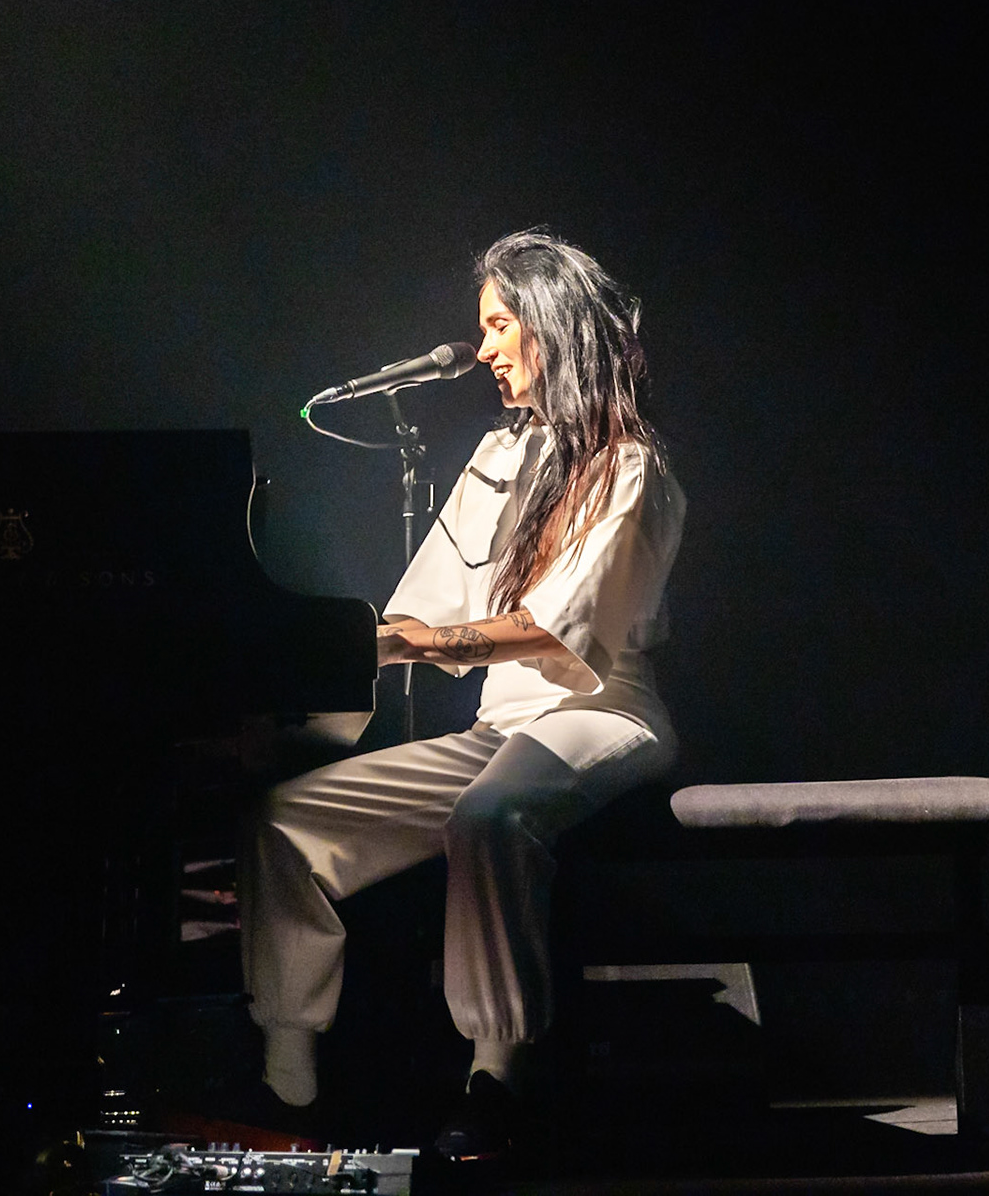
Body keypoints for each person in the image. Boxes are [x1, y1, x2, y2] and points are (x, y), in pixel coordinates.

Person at [240, 229, 687, 1156]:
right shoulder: (493, 457)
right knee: (287, 817)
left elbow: (548, 628)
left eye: (497, 324)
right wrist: (299, 710)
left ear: (550, 325)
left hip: (601, 712)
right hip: (498, 733)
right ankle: (286, 1079)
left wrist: (414, 641)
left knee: (488, 818)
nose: (482, 349)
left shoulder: (627, 464)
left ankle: (497, 1077)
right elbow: (412, 619)